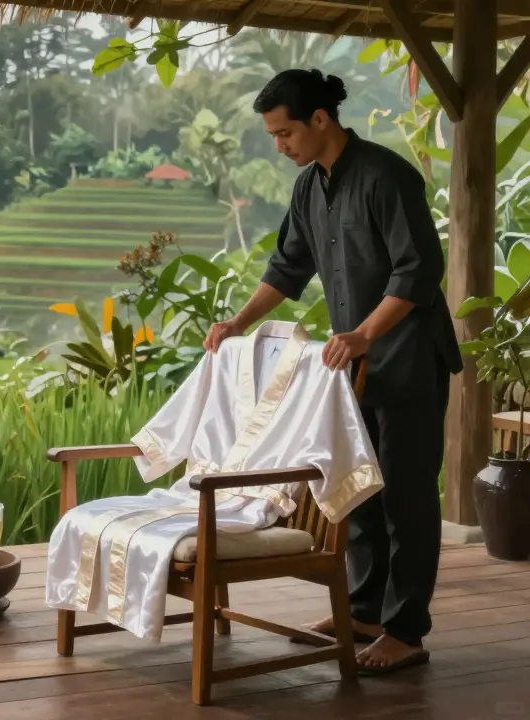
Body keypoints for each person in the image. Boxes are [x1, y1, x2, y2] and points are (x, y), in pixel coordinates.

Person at [204, 69, 462, 675]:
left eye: (284, 131)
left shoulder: (387, 176)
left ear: (320, 120)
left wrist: (364, 334)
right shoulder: (307, 189)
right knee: (358, 494)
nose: (279, 145)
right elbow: (286, 269)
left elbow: (418, 273)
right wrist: (237, 323)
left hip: (407, 365)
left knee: (408, 500)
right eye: (272, 135)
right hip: (353, 371)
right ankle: (365, 610)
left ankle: (406, 631)